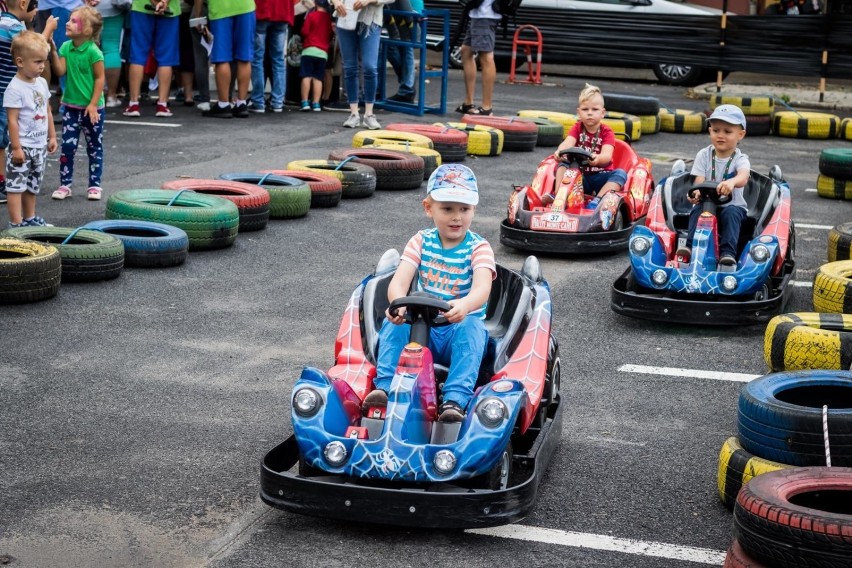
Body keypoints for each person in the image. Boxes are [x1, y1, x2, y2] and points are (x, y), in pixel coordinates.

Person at [362, 163, 496, 423]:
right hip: (421, 328)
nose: (456, 217)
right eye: (447, 209)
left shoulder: (479, 247)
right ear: (428, 208)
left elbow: (483, 287)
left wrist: (466, 305)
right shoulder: (421, 241)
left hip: (456, 328)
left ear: (473, 210)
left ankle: (454, 401)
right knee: (394, 323)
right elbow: (399, 282)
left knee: (472, 327)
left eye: (464, 209)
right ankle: (385, 389)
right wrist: (397, 304)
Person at [675, 104, 750, 267]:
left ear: (740, 135)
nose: (720, 135)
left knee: (731, 213)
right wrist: (695, 194)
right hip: (707, 206)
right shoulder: (703, 155)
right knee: (697, 210)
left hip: (732, 206)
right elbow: (699, 182)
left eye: (727, 132)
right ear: (710, 131)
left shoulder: (740, 159)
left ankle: (727, 254)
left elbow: (743, 177)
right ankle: (689, 247)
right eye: (716, 130)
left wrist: (732, 182)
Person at [0, 0, 57, 206]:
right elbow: (31, 50)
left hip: (13, 91)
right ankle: (2, 180)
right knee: (3, 135)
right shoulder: (12, 26)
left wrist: (51, 135)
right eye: (35, 8)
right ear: (24, 4)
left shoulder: (6, 23)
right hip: (7, 91)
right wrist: (48, 30)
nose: (37, 12)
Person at [48, 6, 106, 200]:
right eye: (69, 20)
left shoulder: (94, 52)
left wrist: (92, 104)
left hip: (93, 109)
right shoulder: (66, 47)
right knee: (68, 148)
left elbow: (100, 79)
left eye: (74, 21)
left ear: (87, 30)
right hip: (71, 108)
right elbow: (60, 71)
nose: (67, 22)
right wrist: (54, 52)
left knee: (94, 147)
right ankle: (65, 185)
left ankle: (94, 185)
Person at [545, 83, 627, 206]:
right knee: (562, 164)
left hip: (601, 176)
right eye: (585, 109)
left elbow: (607, 155)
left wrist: (597, 159)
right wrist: (559, 151)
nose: (589, 113)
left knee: (620, 174)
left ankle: (598, 200)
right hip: (580, 177)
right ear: (579, 112)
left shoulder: (607, 132)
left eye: (594, 109)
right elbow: (568, 142)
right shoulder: (577, 128)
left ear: (602, 112)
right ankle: (559, 196)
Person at [330, 0, 392, 130]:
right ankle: (354, 113)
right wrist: (335, 2)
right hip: (345, 17)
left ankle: (369, 114)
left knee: (370, 66)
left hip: (371, 20)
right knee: (349, 67)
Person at [196, 0, 255, 118]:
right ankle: (241, 103)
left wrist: (198, 16)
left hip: (220, 8)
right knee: (244, 57)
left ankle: (223, 104)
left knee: (222, 58)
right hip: (246, 6)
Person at [123, 0, 180, 118]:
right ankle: (162, 104)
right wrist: (164, 2)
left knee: (137, 55)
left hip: (142, 6)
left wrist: (154, 2)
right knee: (166, 58)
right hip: (170, 8)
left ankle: (133, 103)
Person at [455, 0, 501, 116]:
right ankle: (468, 102)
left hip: (485, 15)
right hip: (479, 14)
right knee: (466, 50)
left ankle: (487, 107)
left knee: (486, 56)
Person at [249, 0, 293, 113]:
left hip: (262, 10)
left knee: (257, 58)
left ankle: (258, 101)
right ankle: (277, 102)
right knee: (278, 59)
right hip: (283, 11)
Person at [298, 0, 332, 111]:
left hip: (309, 50)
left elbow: (305, 31)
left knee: (306, 76)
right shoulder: (329, 19)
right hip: (322, 53)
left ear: (316, 4)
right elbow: (330, 34)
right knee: (318, 78)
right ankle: (316, 103)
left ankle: (304, 102)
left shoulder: (312, 16)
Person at [385, 0, 419, 103]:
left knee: (406, 45)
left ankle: (407, 88)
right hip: (395, 10)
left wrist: (413, 24)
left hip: (409, 10)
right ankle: (408, 84)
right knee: (393, 47)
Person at [94, 0, 125, 107]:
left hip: (90, 8)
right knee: (111, 49)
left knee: (90, 49)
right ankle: (111, 96)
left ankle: (94, 95)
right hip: (112, 8)